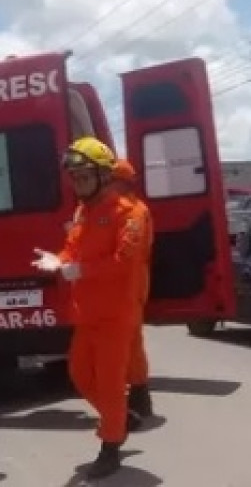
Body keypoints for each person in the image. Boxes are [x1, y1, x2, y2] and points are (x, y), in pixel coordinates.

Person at [32, 137, 151, 480]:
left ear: (103, 175)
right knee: (80, 375)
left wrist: (82, 269)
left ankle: (110, 448)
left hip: (116, 315)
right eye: (75, 178)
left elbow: (124, 262)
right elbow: (72, 248)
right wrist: (58, 260)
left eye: (84, 177)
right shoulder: (84, 211)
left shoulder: (131, 215)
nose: (79, 184)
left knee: (112, 384)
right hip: (87, 313)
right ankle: (121, 418)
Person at [111, 159, 155, 424]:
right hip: (130, 285)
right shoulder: (130, 210)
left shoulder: (134, 213)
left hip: (129, 286)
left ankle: (138, 399)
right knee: (130, 342)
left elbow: (127, 254)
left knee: (130, 343)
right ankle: (139, 398)